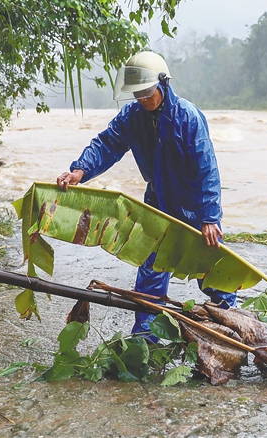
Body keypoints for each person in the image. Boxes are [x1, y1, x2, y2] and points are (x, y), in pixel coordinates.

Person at [56, 51, 236, 339]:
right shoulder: (132, 117)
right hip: (157, 205)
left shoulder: (188, 117)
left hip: (194, 208)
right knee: (151, 274)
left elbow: (207, 170)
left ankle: (232, 330)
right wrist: (80, 170)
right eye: (137, 93)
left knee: (213, 274)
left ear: (163, 84)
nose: (142, 99)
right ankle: (145, 341)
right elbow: (107, 144)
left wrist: (210, 217)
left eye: (147, 92)